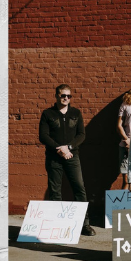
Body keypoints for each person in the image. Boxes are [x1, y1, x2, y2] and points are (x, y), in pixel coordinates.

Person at [39, 84, 95, 236]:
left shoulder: (75, 113)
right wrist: (59, 149)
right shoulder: (47, 114)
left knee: (79, 188)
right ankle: (58, 226)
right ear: (56, 96)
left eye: (68, 96)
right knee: (55, 191)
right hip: (54, 158)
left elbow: (81, 135)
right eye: (63, 95)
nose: (66, 98)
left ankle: (85, 224)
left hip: (72, 156)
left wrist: (68, 148)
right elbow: (43, 136)